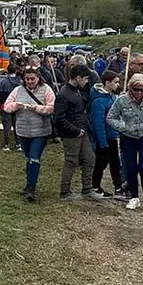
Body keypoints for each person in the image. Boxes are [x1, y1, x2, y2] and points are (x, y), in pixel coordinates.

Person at [107, 73, 143, 213]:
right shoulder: (122, 100)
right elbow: (110, 118)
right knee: (131, 168)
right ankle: (134, 197)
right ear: (130, 87)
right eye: (136, 89)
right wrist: (122, 126)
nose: (139, 92)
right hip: (128, 137)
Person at [3, 65, 56, 201]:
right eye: (27, 79)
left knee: (34, 157)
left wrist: (36, 108)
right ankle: (28, 184)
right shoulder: (18, 90)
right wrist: (16, 106)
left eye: (32, 79)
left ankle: (32, 188)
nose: (30, 81)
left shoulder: (46, 90)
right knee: (28, 158)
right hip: (22, 130)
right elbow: (6, 106)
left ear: (38, 78)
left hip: (41, 131)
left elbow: (52, 107)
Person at [53, 64, 102, 201]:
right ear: (78, 78)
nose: (87, 81)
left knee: (89, 158)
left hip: (82, 130)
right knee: (71, 161)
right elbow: (58, 118)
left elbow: (82, 103)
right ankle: (65, 191)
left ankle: (87, 188)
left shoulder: (77, 90)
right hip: (71, 133)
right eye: (85, 79)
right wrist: (74, 130)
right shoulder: (64, 94)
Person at [90, 70, 125, 198]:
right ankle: (95, 186)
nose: (118, 84)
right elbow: (98, 124)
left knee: (115, 163)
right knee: (100, 163)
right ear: (107, 83)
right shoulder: (99, 101)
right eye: (115, 82)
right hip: (104, 138)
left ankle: (118, 187)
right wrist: (102, 142)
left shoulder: (113, 97)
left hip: (113, 136)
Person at [0, 64, 22, 152]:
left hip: (6, 106)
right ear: (16, 71)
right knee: (17, 125)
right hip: (16, 105)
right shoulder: (21, 82)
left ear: (7, 71)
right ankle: (18, 144)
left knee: (6, 126)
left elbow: (0, 95)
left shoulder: (4, 82)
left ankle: (6, 144)